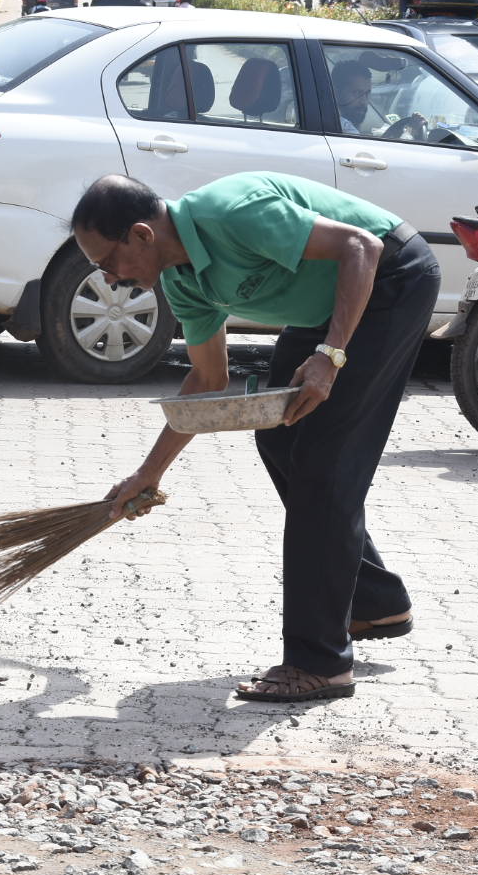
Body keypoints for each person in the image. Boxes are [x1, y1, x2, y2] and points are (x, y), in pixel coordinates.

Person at [73, 172, 440, 703]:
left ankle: (321, 662)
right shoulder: (183, 280)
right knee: (279, 439)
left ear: (141, 235)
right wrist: (148, 473)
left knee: (324, 467)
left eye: (107, 262)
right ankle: (373, 600)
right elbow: (207, 382)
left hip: (388, 280)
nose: (110, 278)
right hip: (323, 308)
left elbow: (363, 246)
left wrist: (332, 355)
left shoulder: (229, 212)